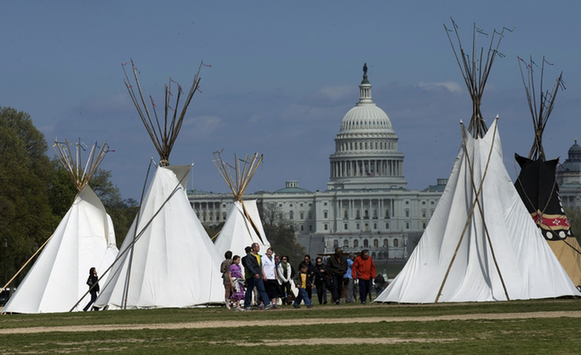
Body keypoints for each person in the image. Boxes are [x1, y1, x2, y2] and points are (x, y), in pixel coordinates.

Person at [244, 242, 272, 310]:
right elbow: (249, 266)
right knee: (249, 290)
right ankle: (247, 305)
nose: (259, 248)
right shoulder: (249, 257)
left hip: (259, 277)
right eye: (257, 247)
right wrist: (254, 273)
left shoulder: (259, 256)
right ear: (253, 248)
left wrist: (261, 274)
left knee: (262, 290)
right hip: (251, 277)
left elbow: (260, 266)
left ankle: (267, 303)